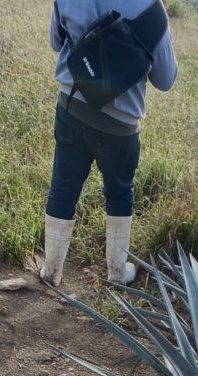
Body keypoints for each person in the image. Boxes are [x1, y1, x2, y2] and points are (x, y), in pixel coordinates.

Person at [39, 1, 178, 288]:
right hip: (121, 124)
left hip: (71, 106)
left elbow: (56, 41)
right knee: (119, 193)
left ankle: (51, 271)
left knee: (63, 185)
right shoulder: (152, 9)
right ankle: (117, 271)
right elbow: (165, 80)